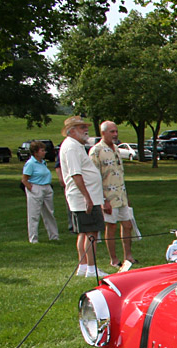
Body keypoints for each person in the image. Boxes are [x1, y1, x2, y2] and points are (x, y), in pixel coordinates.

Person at [59, 115, 108, 277]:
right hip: (84, 197)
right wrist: (87, 197)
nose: (85, 130)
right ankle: (92, 268)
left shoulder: (74, 146)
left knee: (83, 232)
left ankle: (83, 266)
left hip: (84, 196)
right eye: (81, 128)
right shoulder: (71, 147)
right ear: (71, 131)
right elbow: (75, 174)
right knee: (91, 233)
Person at [90, 121, 134, 268]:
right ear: (103, 133)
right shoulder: (96, 151)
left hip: (121, 195)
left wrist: (126, 197)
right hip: (108, 196)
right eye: (111, 132)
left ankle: (128, 255)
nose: (115, 134)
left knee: (127, 224)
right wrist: (104, 200)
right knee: (111, 226)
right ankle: (114, 259)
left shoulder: (116, 149)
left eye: (116, 131)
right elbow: (95, 177)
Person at [21, 141, 59, 243]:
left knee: (49, 213)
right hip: (36, 187)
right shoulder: (30, 163)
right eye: (42, 150)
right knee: (34, 214)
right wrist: (32, 189)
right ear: (35, 152)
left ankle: (54, 236)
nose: (44, 152)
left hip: (46, 187)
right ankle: (33, 238)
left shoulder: (43, 162)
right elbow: (24, 179)